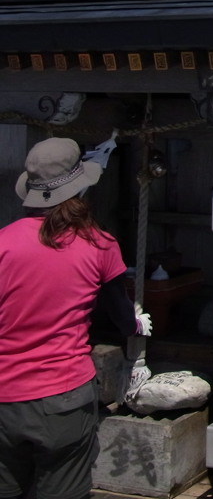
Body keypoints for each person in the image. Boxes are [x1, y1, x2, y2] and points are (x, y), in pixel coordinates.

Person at [0, 137, 151, 499]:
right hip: (63, 397)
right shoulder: (99, 243)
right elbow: (118, 315)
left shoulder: (3, 242)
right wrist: (135, 324)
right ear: (80, 189)